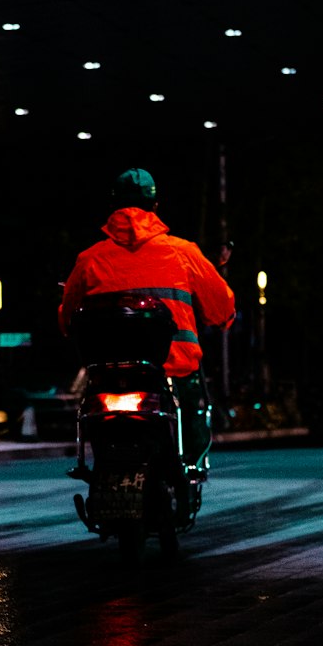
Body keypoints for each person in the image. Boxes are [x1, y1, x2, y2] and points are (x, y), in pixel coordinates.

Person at [59, 166, 235, 465]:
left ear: (114, 206)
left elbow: (66, 321)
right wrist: (222, 319)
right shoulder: (184, 252)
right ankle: (189, 470)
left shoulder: (89, 260)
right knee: (191, 443)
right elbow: (222, 308)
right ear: (155, 207)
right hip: (173, 373)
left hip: (107, 377)